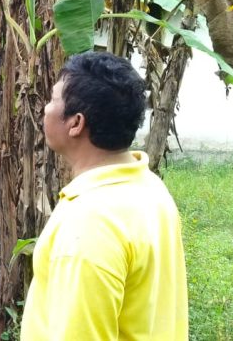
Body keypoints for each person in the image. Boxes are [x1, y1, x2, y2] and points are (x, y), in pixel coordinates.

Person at [21, 52, 188, 340]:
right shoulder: (150, 187)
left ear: (75, 123)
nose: (45, 109)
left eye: (52, 99)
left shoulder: (89, 226)